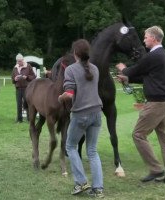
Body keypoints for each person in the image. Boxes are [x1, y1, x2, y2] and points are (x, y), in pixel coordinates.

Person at [116, 26, 165, 183]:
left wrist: (124, 70)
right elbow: (147, 77)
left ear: (154, 38)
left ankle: (156, 169)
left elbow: (136, 69)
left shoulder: (154, 56)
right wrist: (128, 78)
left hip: (156, 104)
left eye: (145, 37)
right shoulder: (163, 55)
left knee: (138, 134)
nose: (144, 40)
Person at [58, 39, 104, 197]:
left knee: (70, 147)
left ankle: (81, 182)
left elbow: (69, 94)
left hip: (80, 114)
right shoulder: (95, 69)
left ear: (75, 53)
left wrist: (60, 98)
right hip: (97, 113)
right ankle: (98, 189)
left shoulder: (70, 70)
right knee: (92, 151)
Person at [11, 53, 36, 123]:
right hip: (18, 88)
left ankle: (29, 118)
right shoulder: (15, 68)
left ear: (23, 60)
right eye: (18, 61)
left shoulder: (28, 66)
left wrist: (27, 77)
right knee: (19, 104)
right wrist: (15, 79)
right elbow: (12, 79)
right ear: (17, 61)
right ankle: (19, 119)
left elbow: (34, 76)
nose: (20, 62)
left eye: (21, 61)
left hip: (27, 88)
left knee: (27, 103)